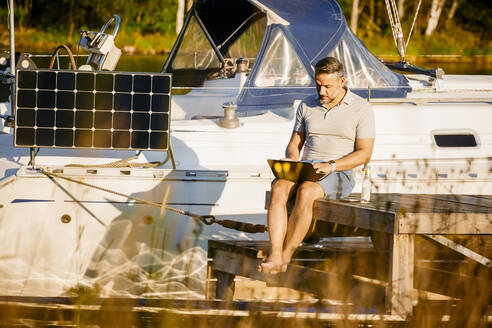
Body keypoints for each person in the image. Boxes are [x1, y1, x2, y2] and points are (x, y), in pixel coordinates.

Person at [259, 57, 375, 274]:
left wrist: (331, 165)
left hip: (339, 171)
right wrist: (292, 160)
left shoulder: (361, 108)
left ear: (342, 81)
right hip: (307, 167)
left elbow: (364, 154)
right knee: (279, 185)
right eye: (318, 85)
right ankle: (275, 253)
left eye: (327, 87)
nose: (321, 92)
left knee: (306, 190)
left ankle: (286, 256)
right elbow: (294, 145)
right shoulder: (306, 104)